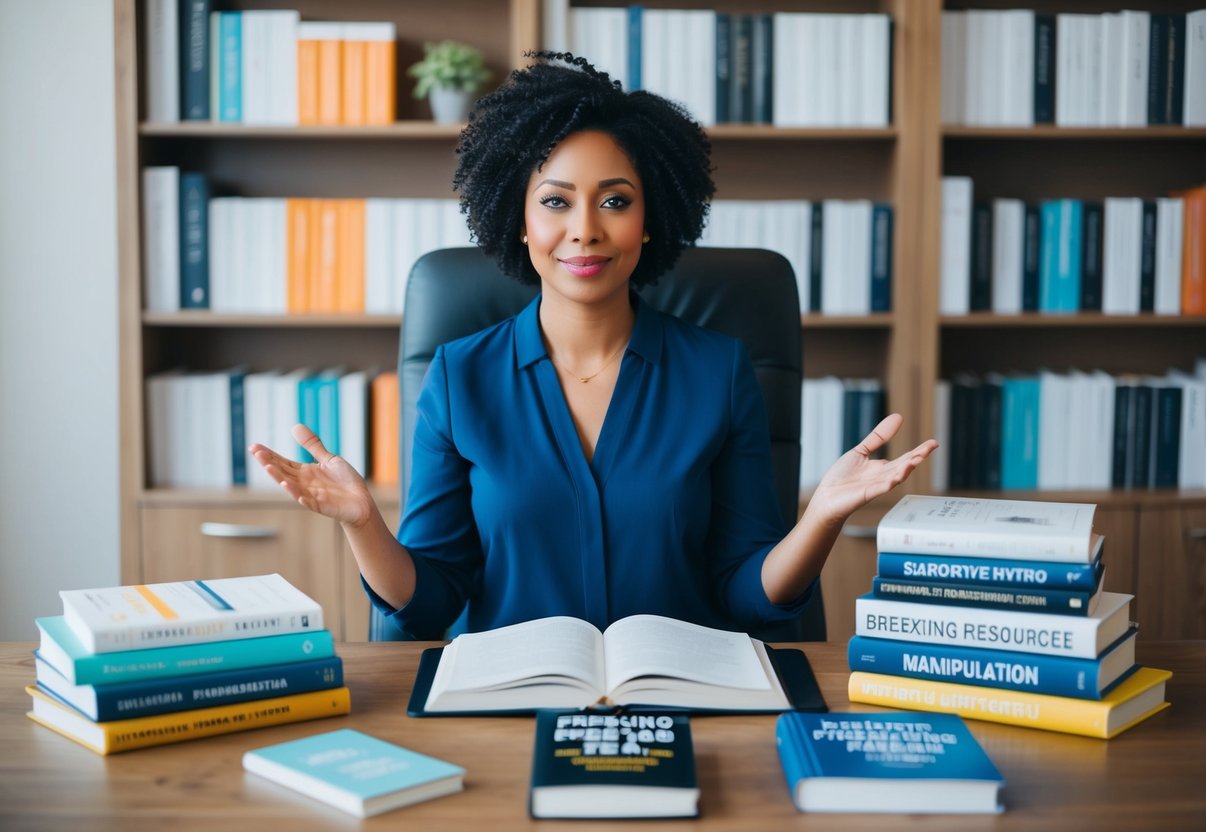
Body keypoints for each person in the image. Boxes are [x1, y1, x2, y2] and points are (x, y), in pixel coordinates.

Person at [250, 52, 937, 640]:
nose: (584, 229)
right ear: (517, 221)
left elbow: (747, 597)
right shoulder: (461, 378)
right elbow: (431, 605)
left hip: (680, 698)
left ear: (649, 220)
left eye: (614, 201)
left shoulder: (718, 371)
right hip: (509, 707)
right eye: (555, 201)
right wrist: (365, 524)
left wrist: (817, 517)